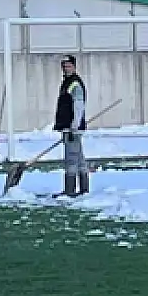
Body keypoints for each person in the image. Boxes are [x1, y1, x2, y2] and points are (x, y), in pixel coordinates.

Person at [54, 54, 89, 198]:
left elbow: (78, 105)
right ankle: (83, 189)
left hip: (72, 128)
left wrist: (74, 125)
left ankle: (70, 190)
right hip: (68, 126)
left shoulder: (75, 83)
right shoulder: (67, 82)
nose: (66, 68)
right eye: (64, 66)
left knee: (71, 158)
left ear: (74, 66)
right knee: (79, 159)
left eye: (68, 65)